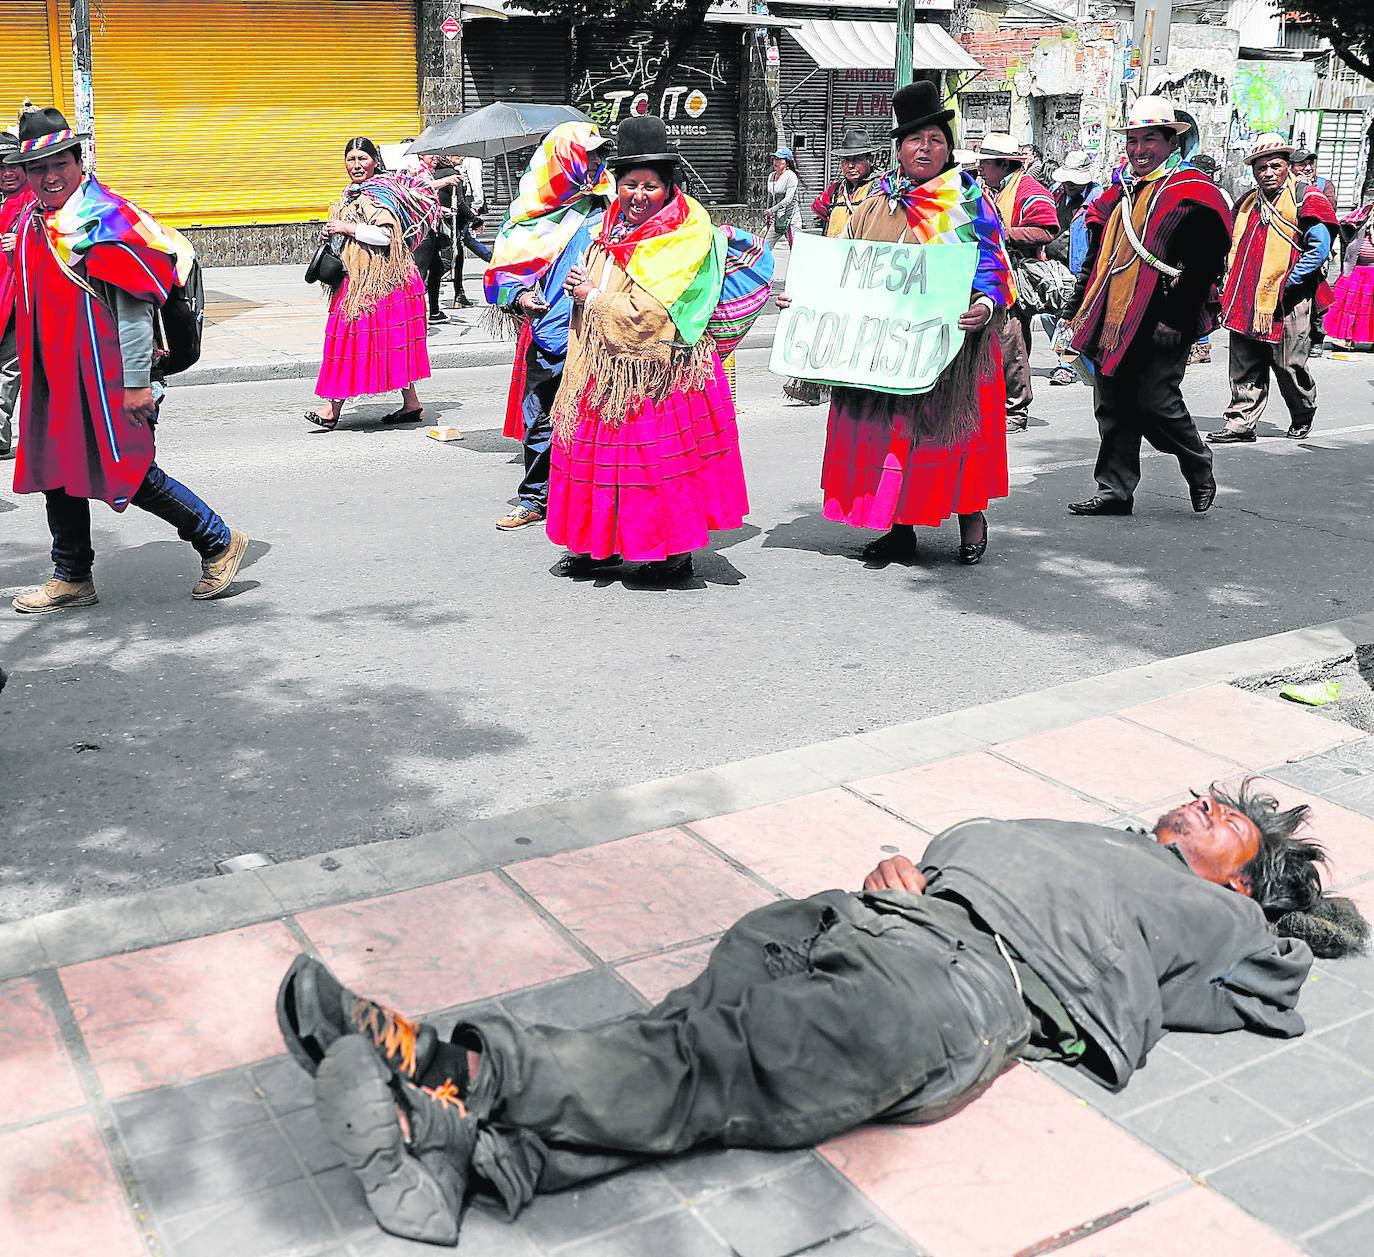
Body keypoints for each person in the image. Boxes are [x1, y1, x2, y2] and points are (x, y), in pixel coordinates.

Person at [275, 779, 1368, 1248]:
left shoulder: (1217, 919)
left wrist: (1301, 921)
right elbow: (982, 848)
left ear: (1239, 879)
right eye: (1208, 794)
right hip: (864, 918)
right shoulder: (1109, 842)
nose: (1207, 804)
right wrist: (918, 867)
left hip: (960, 991)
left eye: (1231, 819)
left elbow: (1278, 989)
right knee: (688, 1046)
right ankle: (471, 1168)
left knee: (715, 1064)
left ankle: (435, 1063)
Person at [5, 107, 248, 612]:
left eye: (58, 163)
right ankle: (72, 575)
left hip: (109, 375)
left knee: (128, 470)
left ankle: (217, 539)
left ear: (78, 160)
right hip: (55, 378)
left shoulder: (102, 219)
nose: (49, 177)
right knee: (56, 472)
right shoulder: (35, 219)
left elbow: (134, 313)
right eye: (37, 168)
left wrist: (136, 383)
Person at [543, 116, 764, 583]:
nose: (637, 195)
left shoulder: (683, 237)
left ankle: (671, 552)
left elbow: (654, 313)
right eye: (629, 184)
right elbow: (600, 281)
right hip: (603, 367)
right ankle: (598, 546)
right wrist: (582, 284)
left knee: (654, 465)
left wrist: (594, 298)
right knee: (597, 460)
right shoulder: (610, 226)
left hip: (660, 371)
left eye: (649, 185)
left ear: (668, 187)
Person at [802, 81, 1015, 567]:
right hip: (890, 347)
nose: (926, 148)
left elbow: (993, 262)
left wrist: (984, 303)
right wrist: (811, 297)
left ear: (948, 146)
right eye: (916, 139)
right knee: (894, 438)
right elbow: (845, 264)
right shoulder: (876, 200)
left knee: (953, 434)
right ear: (898, 148)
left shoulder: (966, 199)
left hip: (953, 343)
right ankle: (899, 528)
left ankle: (972, 518)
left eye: (936, 139)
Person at [1064, 96, 1231, 517]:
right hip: (1112, 313)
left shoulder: (1192, 191)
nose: (1139, 150)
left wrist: (1175, 318)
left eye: (1149, 140)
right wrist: (1077, 302)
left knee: (1157, 401)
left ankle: (1198, 463)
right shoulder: (1120, 192)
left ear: (1171, 141)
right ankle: (1114, 490)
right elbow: (1099, 254)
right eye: (1133, 141)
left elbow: (1205, 262)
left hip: (1161, 314)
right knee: (1112, 403)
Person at [483, 122, 612, 532]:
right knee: (540, 420)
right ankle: (534, 499)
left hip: (598, 334)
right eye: (590, 154)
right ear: (565, 158)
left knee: (595, 423)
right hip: (549, 334)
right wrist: (521, 297)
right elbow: (505, 271)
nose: (598, 162)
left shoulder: (610, 204)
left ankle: (589, 505)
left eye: (601, 155)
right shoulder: (528, 211)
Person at [1208, 135, 1336, 445]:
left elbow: (1318, 250)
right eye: (1261, 167)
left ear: (1287, 167)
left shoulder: (1308, 198)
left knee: (1289, 364)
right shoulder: (1247, 203)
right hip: (1246, 297)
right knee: (1244, 362)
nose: (1267, 173)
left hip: (1289, 298)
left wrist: (1286, 284)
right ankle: (1240, 423)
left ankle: (1302, 411)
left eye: (1275, 166)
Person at [306, 137, 438, 432]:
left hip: (386, 284)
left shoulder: (379, 194)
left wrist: (347, 227)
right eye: (350, 159)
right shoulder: (349, 196)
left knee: (347, 340)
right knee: (383, 343)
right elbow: (349, 235)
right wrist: (331, 234)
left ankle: (332, 408)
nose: (356, 165)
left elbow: (386, 236)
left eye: (362, 159)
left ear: (375, 162)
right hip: (358, 281)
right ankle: (412, 404)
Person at [782, 129, 882, 407]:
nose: (851, 165)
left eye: (857, 159)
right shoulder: (836, 190)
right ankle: (811, 384)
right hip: (834, 268)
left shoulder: (880, 189)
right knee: (823, 325)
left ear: (869, 160)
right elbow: (821, 215)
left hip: (866, 271)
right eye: (846, 160)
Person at [978, 132, 1059, 433]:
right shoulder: (992, 189)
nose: (981, 169)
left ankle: (1016, 408)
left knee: (1011, 344)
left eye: (986, 163)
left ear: (1002, 164)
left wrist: (1005, 234)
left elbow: (1047, 229)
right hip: (991, 277)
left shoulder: (1028, 189)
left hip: (1014, 280)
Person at [1042, 150, 1102, 386]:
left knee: (1068, 320)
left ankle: (1066, 366)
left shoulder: (1098, 200)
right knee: (1048, 314)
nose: (1068, 184)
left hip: (1081, 270)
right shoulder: (1056, 194)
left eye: (1073, 181)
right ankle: (1073, 361)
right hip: (1056, 267)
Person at [0, 131, 36, 461]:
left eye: (14, 165)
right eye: (1, 166)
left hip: (21, 301)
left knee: (9, 370)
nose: (8, 172)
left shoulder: (36, 200)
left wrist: (22, 242)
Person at [1184, 154, 1233, 366]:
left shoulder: (1218, 193)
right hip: (1190, 253)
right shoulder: (1191, 188)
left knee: (1201, 299)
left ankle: (1202, 347)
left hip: (1208, 254)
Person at [1324, 203, 1374, 350]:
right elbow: (1344, 222)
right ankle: (1347, 340)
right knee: (1350, 306)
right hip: (1356, 268)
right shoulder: (1366, 213)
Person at [451, 163, 493, 309]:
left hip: (465, 203)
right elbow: (475, 185)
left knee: (464, 240)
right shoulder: (456, 169)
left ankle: (459, 294)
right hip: (462, 204)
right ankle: (491, 258)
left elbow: (476, 184)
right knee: (463, 241)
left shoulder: (469, 161)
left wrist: (476, 205)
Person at [763, 147, 802, 267]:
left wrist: (772, 210)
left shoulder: (791, 177)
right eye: (775, 158)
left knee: (796, 252)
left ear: (787, 162)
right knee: (764, 247)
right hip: (777, 219)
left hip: (790, 219)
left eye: (780, 159)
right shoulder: (771, 176)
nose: (776, 162)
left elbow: (788, 199)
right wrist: (768, 214)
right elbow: (770, 195)